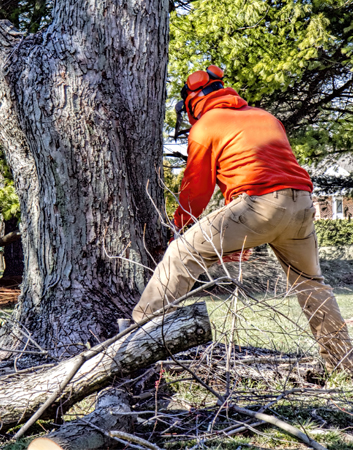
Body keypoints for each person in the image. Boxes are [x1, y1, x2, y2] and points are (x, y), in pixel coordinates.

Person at [133, 66, 353, 372]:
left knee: (181, 255)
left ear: (192, 103)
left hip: (259, 203)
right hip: (302, 204)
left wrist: (179, 227)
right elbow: (256, 170)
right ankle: (343, 362)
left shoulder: (207, 125)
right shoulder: (265, 117)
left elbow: (196, 189)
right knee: (311, 284)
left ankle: (133, 340)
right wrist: (236, 237)